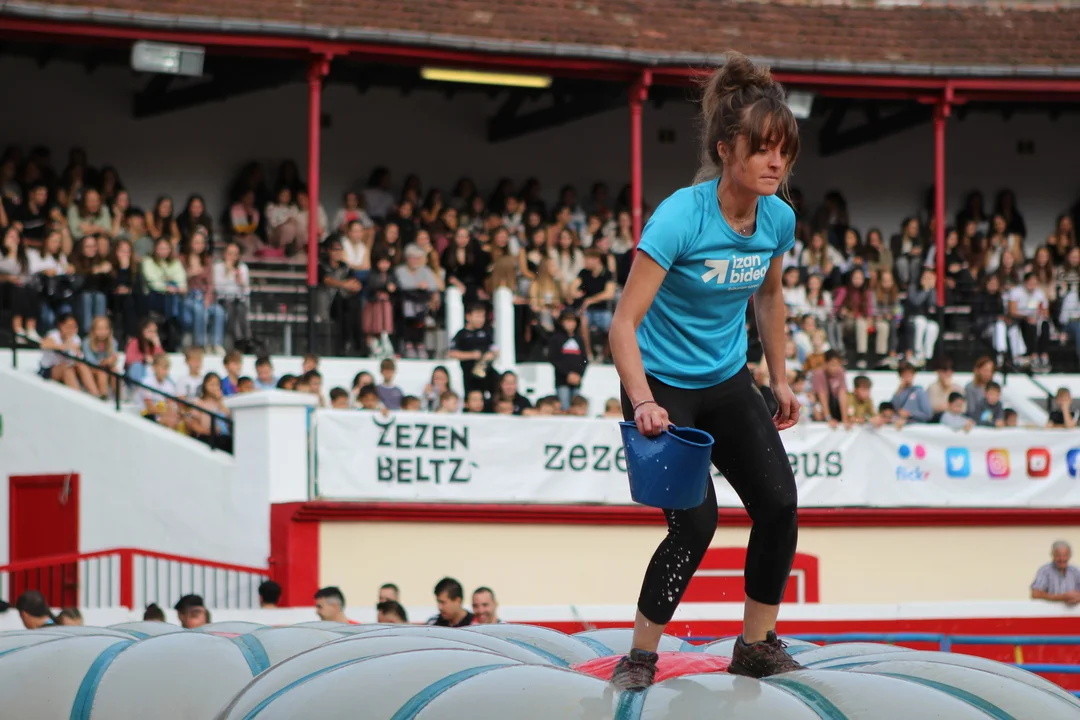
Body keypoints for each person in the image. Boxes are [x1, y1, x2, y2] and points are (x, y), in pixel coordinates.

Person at [606, 51, 803, 689]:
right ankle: (641, 655)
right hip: (661, 384)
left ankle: (756, 644)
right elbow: (623, 325)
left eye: (784, 151)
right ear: (726, 150)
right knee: (695, 524)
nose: (776, 163)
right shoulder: (679, 218)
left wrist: (780, 377)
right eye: (762, 149)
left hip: (725, 379)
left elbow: (769, 296)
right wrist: (643, 402)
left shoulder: (778, 218)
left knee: (779, 504)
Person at [1031, 541, 1080, 605]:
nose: (1062, 559)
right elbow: (1035, 594)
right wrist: (1062, 597)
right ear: (1052, 555)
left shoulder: (1075, 571)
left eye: (1065, 555)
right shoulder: (1045, 571)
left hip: (1072, 610)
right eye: (1058, 555)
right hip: (1049, 610)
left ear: (1069, 556)